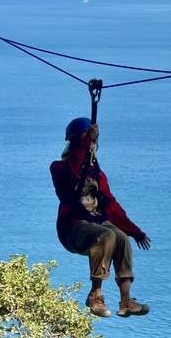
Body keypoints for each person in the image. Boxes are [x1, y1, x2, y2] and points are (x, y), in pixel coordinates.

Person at [50, 117, 151, 318]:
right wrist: (86, 141)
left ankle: (126, 301)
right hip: (73, 229)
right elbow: (74, 170)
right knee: (107, 235)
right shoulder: (59, 168)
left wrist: (135, 232)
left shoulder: (98, 175)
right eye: (87, 141)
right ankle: (95, 294)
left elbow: (112, 206)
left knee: (120, 237)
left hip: (95, 223)